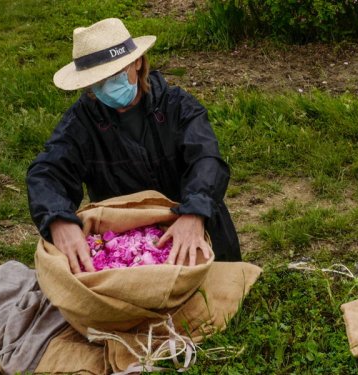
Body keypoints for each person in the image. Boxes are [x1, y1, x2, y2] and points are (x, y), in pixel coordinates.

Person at [26, 18, 242, 274]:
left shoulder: (178, 106)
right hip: (126, 241)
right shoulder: (81, 122)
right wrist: (58, 219)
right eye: (99, 81)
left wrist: (195, 212)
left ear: (138, 62)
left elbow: (206, 159)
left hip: (191, 221)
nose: (108, 87)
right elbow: (47, 171)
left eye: (115, 75)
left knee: (215, 296)